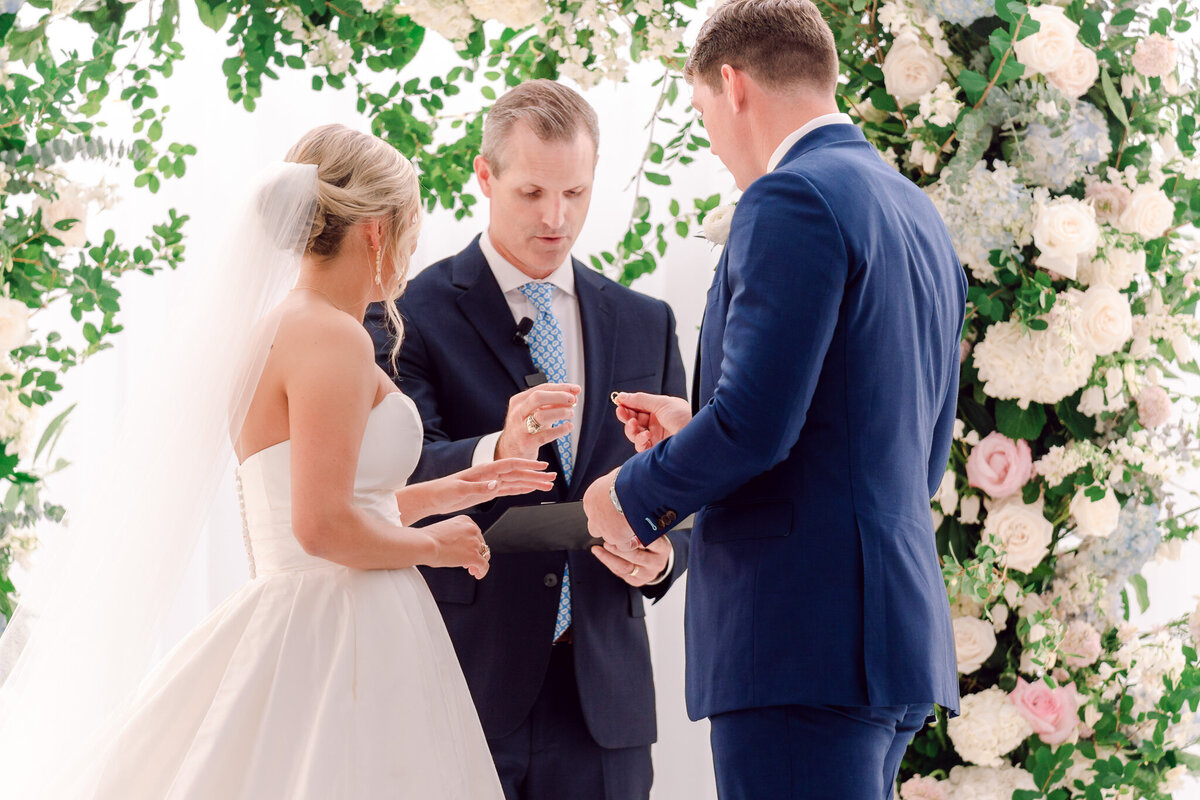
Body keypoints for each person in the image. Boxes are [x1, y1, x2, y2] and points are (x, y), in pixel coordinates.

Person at [0, 124, 551, 797]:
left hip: (321, 611)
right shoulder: (332, 336)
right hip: (341, 627)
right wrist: (434, 546)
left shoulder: (285, 326)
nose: (414, 246)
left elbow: (322, 501)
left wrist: (449, 491)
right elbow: (319, 529)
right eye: (411, 225)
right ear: (376, 230)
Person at [581, 1, 967, 797]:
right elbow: (912, 450)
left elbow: (756, 427)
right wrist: (701, 428)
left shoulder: (789, 198)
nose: (715, 143)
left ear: (733, 83)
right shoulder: (916, 213)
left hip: (801, 640)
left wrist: (626, 493)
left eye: (701, 114)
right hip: (891, 639)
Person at [365, 80, 688, 800]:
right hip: (466, 683)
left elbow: (687, 484)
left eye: (575, 193)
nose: (556, 217)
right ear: (485, 177)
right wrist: (495, 450)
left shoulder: (646, 322)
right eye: (532, 192)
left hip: (606, 700)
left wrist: (666, 556)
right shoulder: (407, 312)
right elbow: (394, 478)